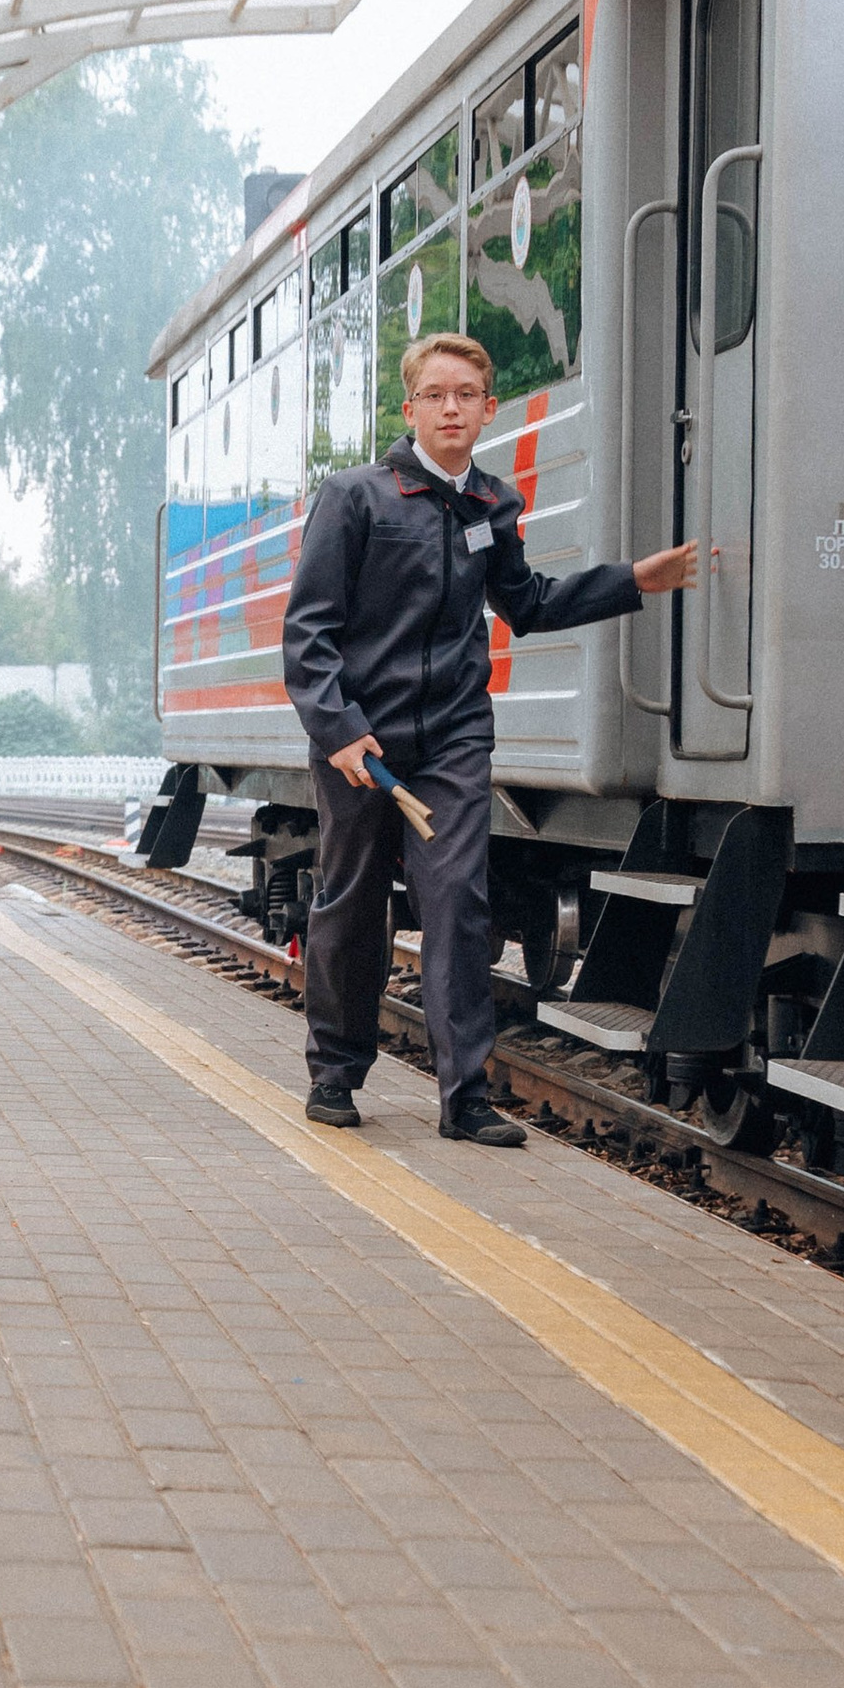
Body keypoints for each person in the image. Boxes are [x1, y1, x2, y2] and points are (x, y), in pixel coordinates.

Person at [282, 328, 695, 1145]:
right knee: (352, 901)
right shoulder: (357, 497)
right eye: (435, 395)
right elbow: (309, 633)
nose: (450, 409)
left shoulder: (490, 504)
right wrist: (340, 730)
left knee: (459, 905)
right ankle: (334, 1072)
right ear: (411, 409)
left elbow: (527, 602)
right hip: (360, 740)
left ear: (487, 409)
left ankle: (464, 1097)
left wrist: (631, 583)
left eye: (465, 396)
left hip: (453, 739)